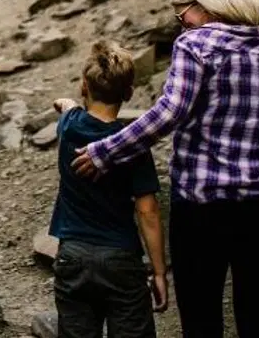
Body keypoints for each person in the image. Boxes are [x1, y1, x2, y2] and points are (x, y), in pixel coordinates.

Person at [71, 0, 259, 338]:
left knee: (201, 323)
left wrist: (106, 151)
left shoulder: (195, 44)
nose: (181, 25)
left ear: (203, 6)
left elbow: (170, 112)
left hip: (200, 212)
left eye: (181, 15)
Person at [48, 40, 169, 338]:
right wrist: (159, 272)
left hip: (72, 256)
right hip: (120, 258)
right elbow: (147, 210)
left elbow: (68, 107)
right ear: (128, 94)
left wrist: (67, 103)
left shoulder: (69, 125)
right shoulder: (131, 145)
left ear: (84, 87)